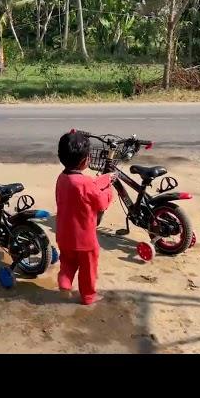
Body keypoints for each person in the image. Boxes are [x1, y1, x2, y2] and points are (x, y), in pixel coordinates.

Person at [55, 130, 116, 305]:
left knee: (67, 262)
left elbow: (84, 188)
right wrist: (109, 189)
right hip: (85, 240)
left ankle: (64, 283)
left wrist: (104, 179)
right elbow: (101, 202)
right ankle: (88, 296)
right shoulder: (86, 183)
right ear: (85, 160)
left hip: (65, 235)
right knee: (88, 268)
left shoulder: (62, 178)